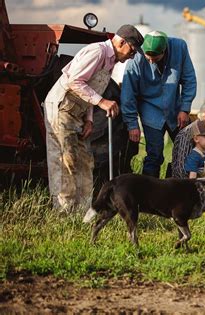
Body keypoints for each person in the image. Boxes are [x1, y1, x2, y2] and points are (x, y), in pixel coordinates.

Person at [43, 24, 143, 213]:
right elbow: (75, 81)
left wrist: (89, 118)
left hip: (78, 112)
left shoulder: (111, 60)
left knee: (85, 161)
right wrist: (102, 102)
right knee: (66, 161)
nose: (132, 56)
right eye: (132, 50)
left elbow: (91, 87)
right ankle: (63, 213)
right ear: (121, 42)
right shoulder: (97, 52)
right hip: (62, 108)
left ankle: (83, 210)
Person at [121, 30, 196, 177]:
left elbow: (189, 79)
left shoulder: (179, 47)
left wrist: (185, 108)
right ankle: (148, 195)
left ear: (165, 50)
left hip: (175, 111)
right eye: (148, 57)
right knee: (154, 156)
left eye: (155, 57)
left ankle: (178, 186)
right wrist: (132, 124)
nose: (150, 61)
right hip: (150, 111)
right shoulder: (136, 57)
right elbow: (128, 93)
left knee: (188, 152)